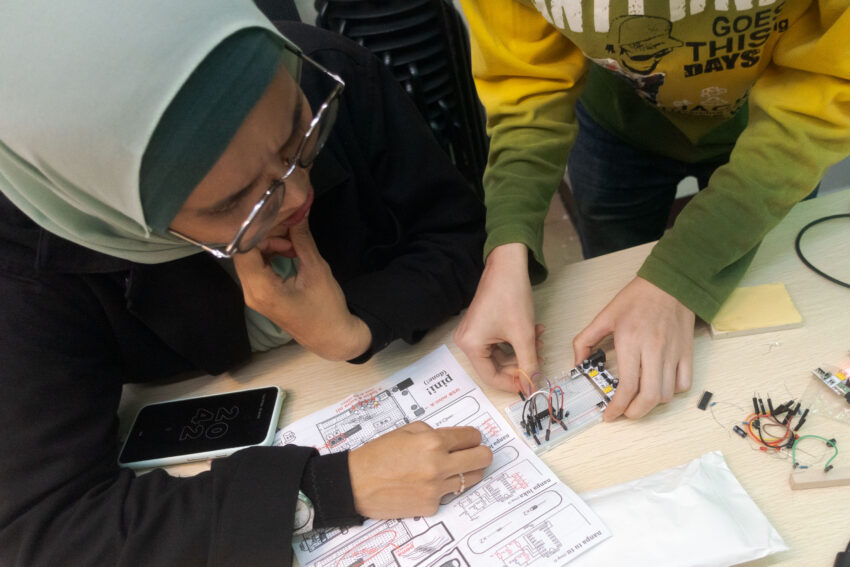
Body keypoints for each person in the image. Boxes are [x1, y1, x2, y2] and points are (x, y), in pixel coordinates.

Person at [0, 2, 493, 565]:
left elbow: (462, 234)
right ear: (112, 217)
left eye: (298, 138)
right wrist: (323, 489)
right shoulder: (28, 255)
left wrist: (356, 328)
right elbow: (43, 528)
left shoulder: (319, 65)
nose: (300, 195)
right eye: (235, 201)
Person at [454, 0, 850, 419]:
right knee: (610, 280)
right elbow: (523, 84)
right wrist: (508, 243)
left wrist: (681, 274)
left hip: (778, 131)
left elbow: (830, 84)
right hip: (615, 124)